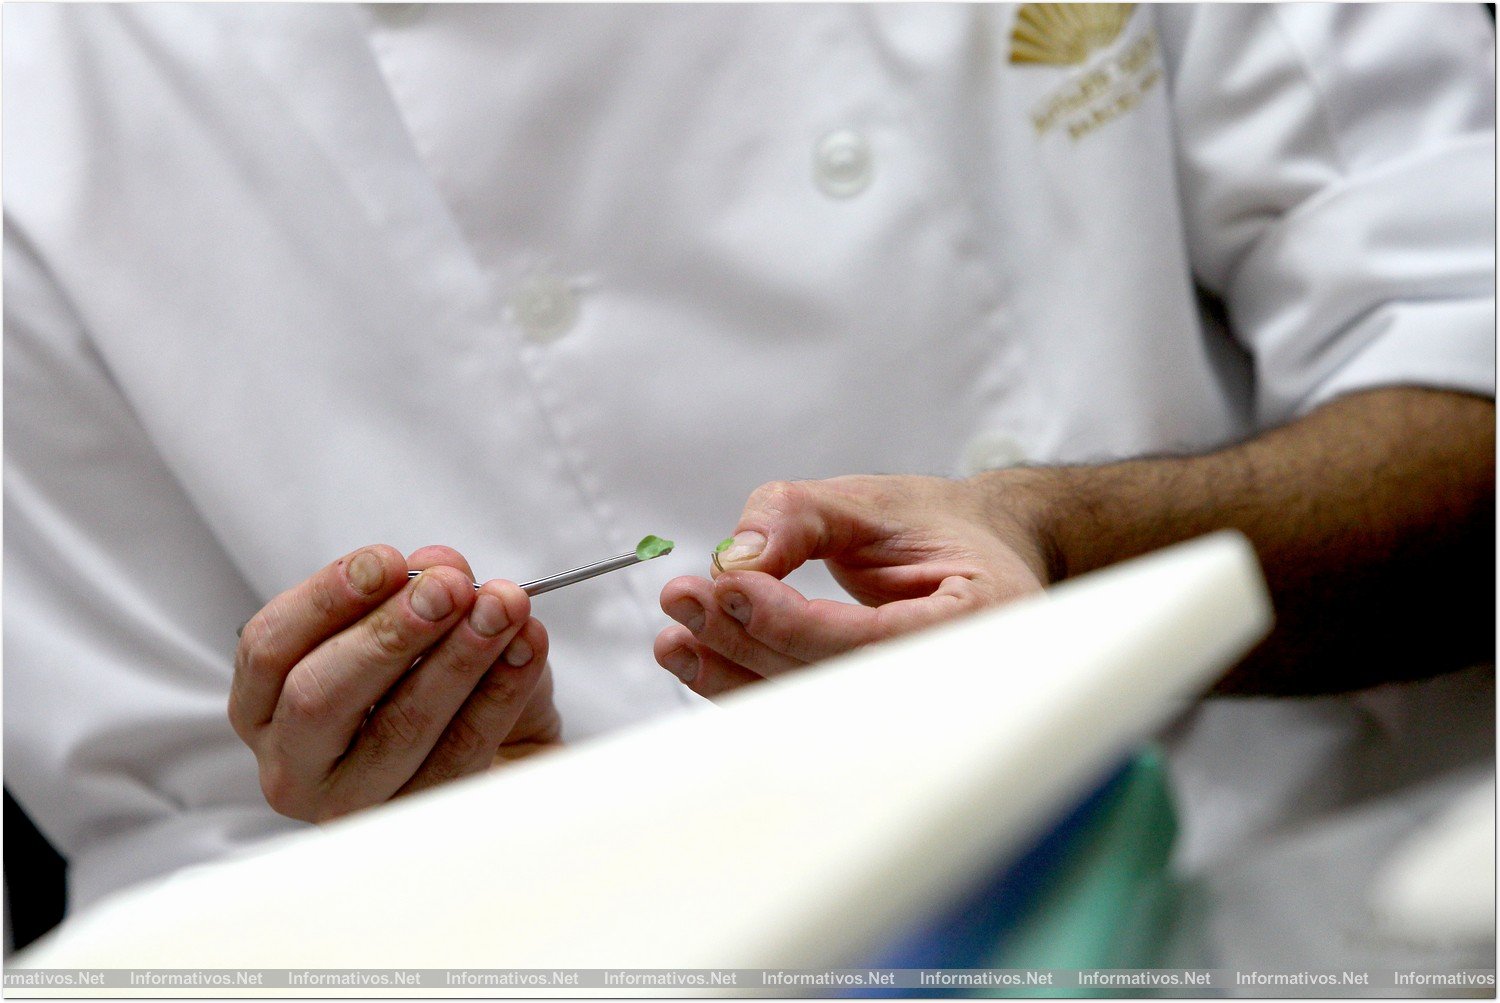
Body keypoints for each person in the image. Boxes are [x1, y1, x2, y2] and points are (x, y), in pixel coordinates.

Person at [4, 2, 1492, 965]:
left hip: (1338, 906)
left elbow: (1468, 375)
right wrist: (427, 843)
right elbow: (171, 906)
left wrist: (1069, 554)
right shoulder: (43, 123)